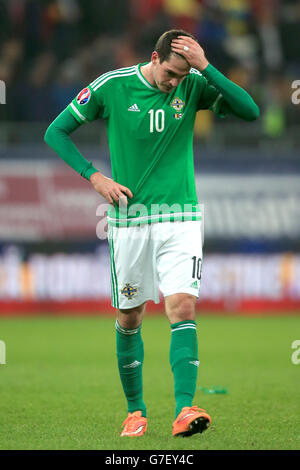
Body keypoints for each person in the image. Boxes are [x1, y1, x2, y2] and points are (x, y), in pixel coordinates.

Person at [44, 29, 259, 438]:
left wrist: (206, 67)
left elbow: (249, 111)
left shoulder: (195, 84)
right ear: (155, 58)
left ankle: (184, 409)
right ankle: (134, 411)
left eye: (182, 75)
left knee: (182, 307)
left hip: (181, 216)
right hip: (129, 220)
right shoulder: (112, 85)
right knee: (130, 317)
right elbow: (55, 132)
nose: (175, 83)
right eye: (171, 74)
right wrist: (95, 177)